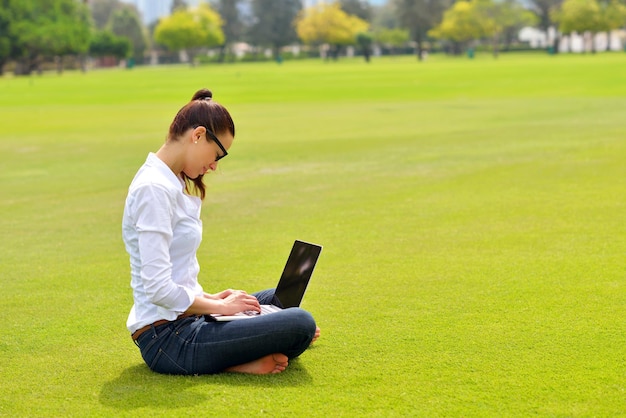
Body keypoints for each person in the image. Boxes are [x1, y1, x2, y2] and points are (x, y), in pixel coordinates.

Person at [122, 88, 320, 375]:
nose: (214, 165)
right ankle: (243, 360)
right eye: (217, 154)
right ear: (198, 134)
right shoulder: (154, 189)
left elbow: (177, 275)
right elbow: (157, 289)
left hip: (187, 319)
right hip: (168, 339)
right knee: (300, 322)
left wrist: (215, 300)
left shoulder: (168, 182)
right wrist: (221, 308)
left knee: (273, 299)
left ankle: (272, 331)